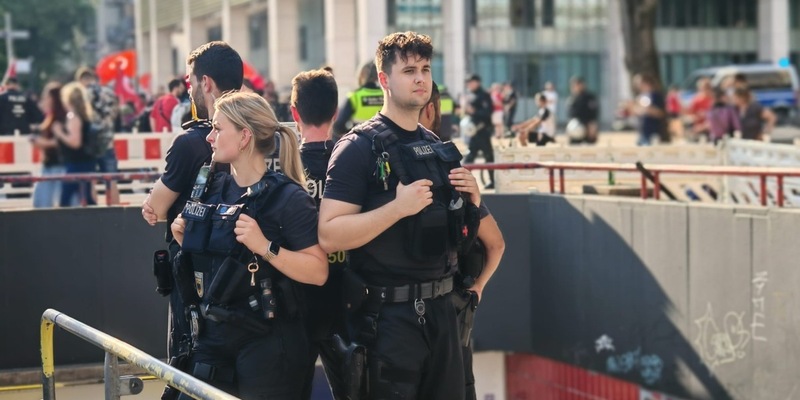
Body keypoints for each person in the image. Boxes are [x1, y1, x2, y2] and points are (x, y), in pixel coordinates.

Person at [319, 31, 485, 399]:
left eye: (425, 69)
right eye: (409, 71)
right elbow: (329, 235)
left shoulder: (437, 148)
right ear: (384, 79)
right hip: (388, 320)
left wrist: (472, 201)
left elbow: (463, 238)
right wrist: (396, 209)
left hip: (443, 313)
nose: (421, 78)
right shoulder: (356, 148)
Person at [170, 91, 327, 398]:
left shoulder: (288, 198)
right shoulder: (209, 189)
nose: (210, 137)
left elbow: (318, 271)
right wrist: (186, 241)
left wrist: (265, 246)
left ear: (244, 137)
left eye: (218, 128)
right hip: (212, 338)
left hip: (267, 345)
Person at [140, 41, 243, 398]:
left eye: (190, 81)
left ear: (206, 83)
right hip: (247, 282)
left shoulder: (190, 143)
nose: (188, 88)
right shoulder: (264, 133)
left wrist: (155, 202)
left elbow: (156, 207)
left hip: (196, 282)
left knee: (188, 371)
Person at [418, 80, 506, 400]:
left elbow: (496, 243)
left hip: (410, 320)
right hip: (453, 313)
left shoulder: (436, 169)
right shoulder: (452, 169)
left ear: (428, 110)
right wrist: (478, 288)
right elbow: (496, 244)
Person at [289, 68, 351, 399]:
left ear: (294, 113)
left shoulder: (282, 168)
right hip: (347, 298)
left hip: (294, 300)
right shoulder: (351, 162)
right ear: (336, 112)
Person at [76, 66, 121, 205]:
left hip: (89, 143)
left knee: (90, 180)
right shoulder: (109, 92)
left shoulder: (82, 94)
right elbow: (115, 114)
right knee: (111, 180)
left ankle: (92, 211)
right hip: (107, 141)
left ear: (80, 80)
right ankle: (115, 210)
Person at [52, 82, 96, 207]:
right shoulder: (85, 115)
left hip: (75, 163)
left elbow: (75, 142)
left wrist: (59, 132)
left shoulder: (73, 117)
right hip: (86, 161)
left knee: (65, 199)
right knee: (86, 197)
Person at [31, 82, 66, 208]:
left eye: (46, 97)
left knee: (50, 204)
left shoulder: (61, 118)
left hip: (58, 166)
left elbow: (60, 141)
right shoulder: (51, 117)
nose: (44, 100)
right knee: (41, 203)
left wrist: (42, 142)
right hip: (49, 164)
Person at [332, 61, 383, 141]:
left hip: (360, 142)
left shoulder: (355, 96)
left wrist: (351, 133)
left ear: (362, 75)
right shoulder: (387, 96)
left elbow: (338, 126)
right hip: (384, 142)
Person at [463, 73, 496, 189]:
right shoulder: (471, 95)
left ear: (477, 82)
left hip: (483, 131)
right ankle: (462, 182)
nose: (469, 85)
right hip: (474, 131)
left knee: (488, 156)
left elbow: (488, 112)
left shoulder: (484, 95)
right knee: (470, 156)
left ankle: (493, 181)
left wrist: (474, 112)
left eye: (471, 82)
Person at [632, 74, 667, 146]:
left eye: (639, 83)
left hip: (653, 130)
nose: (638, 85)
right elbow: (638, 112)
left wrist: (648, 109)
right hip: (643, 130)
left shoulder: (656, 95)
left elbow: (661, 113)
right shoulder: (641, 96)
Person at [567, 76, 599, 144]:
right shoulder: (572, 99)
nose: (576, 87)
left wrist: (592, 124)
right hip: (577, 125)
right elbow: (571, 114)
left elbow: (594, 112)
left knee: (590, 144)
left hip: (588, 124)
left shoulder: (589, 97)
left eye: (578, 84)